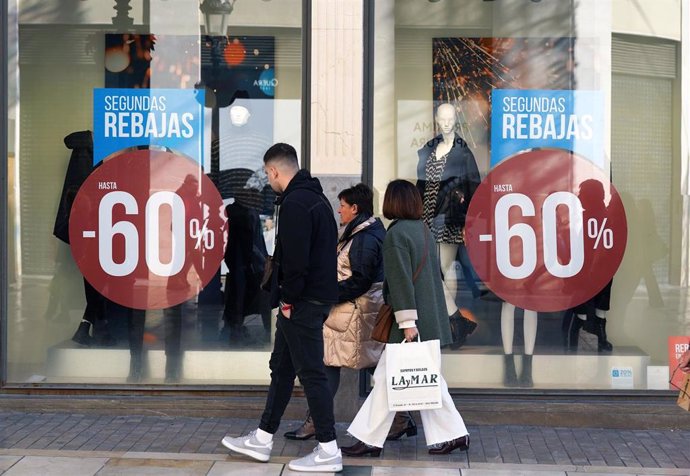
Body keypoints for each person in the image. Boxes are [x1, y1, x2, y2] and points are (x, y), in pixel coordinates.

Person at [220, 143, 342, 473]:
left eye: (267, 174)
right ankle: (262, 438)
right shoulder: (314, 199)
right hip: (308, 301)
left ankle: (328, 448)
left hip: (301, 303)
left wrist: (287, 300)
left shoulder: (296, 204)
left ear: (274, 171)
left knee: (312, 374)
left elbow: (296, 261)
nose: (268, 181)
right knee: (283, 370)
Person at [342, 179, 470, 457]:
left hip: (410, 325)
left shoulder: (396, 235)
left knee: (393, 379)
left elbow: (400, 282)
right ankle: (454, 434)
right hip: (430, 319)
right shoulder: (423, 230)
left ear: (392, 203)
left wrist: (407, 324)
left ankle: (369, 439)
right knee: (421, 379)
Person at [283, 183, 417, 442]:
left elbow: (360, 281)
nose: (339, 210)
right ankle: (401, 418)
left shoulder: (364, 237)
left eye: (342, 206)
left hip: (354, 314)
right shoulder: (364, 232)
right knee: (369, 365)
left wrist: (327, 293)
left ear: (355, 208)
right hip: (356, 314)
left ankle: (316, 423)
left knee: (330, 365)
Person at [417, 102, 481, 347]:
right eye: (442, 119)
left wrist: (468, 220)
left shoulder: (463, 153)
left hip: (451, 217)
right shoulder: (429, 151)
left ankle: (450, 323)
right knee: (434, 269)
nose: (446, 123)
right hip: (428, 217)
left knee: (443, 267)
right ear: (436, 119)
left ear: (456, 120)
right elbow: (421, 185)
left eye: (450, 118)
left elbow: (474, 187)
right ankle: (451, 322)